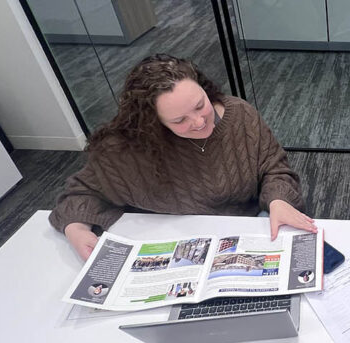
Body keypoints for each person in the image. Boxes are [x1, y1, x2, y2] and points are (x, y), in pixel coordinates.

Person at [49, 54, 317, 260]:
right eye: (179, 120)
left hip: (242, 229)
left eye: (201, 105)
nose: (200, 122)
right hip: (171, 244)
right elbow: (81, 193)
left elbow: (275, 168)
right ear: (152, 123)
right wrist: (77, 229)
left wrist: (279, 200)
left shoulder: (240, 117)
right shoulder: (127, 148)